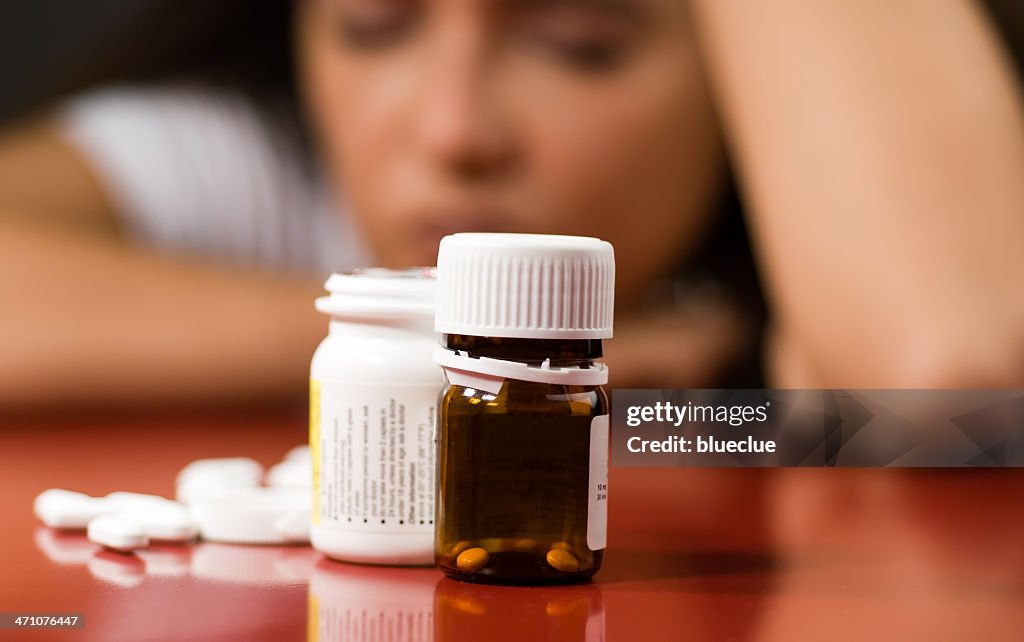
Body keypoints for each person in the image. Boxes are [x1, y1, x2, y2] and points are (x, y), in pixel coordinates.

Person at [1, 0, 1022, 407]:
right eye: (370, 27)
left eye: (577, 44)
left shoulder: (847, 226)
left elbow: (949, 364)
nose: (450, 131)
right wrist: (420, 333)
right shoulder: (268, 169)